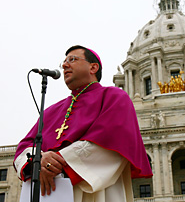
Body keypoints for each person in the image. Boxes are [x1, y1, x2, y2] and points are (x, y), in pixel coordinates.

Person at [14, 45, 153, 202]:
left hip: (92, 189)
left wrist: (53, 163)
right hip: (47, 192)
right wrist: (38, 161)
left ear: (93, 67)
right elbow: (24, 147)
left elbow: (112, 139)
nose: (65, 65)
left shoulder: (114, 97)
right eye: (64, 62)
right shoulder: (51, 110)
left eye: (72, 59)